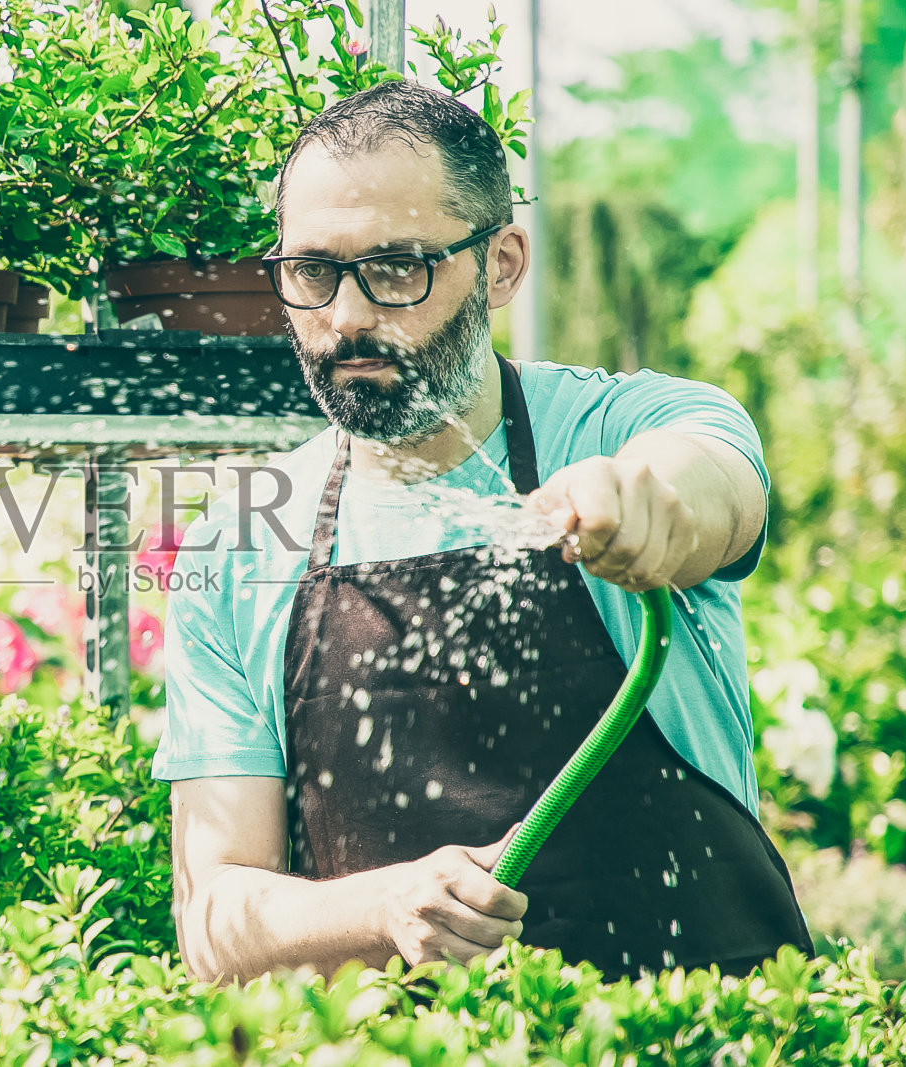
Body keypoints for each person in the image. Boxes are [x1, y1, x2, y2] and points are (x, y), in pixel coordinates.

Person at [152, 80, 814, 985]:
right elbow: (216, 914)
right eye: (312, 271)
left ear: (501, 264)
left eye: (396, 267)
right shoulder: (240, 542)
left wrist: (642, 501)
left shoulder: (624, 429)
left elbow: (707, 484)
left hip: (702, 1034)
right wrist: (383, 902)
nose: (346, 316)